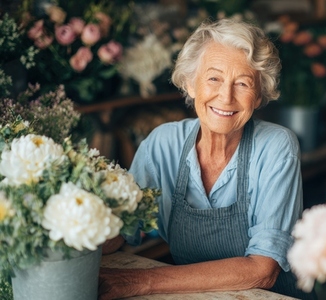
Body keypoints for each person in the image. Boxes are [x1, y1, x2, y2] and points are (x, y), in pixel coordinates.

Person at [98, 18, 314, 300]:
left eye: (243, 83)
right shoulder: (162, 145)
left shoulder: (276, 146)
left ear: (259, 95)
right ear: (190, 84)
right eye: (214, 78)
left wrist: (141, 280)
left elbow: (263, 270)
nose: (226, 97)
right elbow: (119, 231)